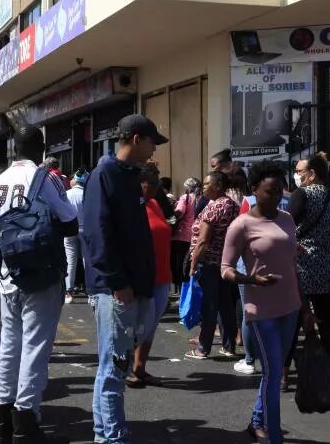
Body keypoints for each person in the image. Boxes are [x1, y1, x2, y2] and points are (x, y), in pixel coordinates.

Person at [0, 126, 78, 444]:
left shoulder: (0, 180)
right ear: (41, 149)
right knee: (35, 348)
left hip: (7, 271)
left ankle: (2, 420)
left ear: (15, 148)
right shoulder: (45, 178)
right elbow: (70, 222)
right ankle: (26, 423)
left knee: (10, 347)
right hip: (40, 274)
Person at [83, 114, 165, 444]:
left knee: (111, 367)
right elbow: (96, 233)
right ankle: (113, 438)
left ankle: (106, 435)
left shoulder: (129, 176)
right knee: (114, 368)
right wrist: (118, 282)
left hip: (129, 288)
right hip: (116, 291)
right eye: (150, 142)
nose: (153, 150)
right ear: (134, 139)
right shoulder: (106, 174)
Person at [221, 159, 300, 444]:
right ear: (254, 190)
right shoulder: (241, 225)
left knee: (274, 371)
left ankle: (257, 421)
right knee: (274, 371)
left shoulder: (287, 219)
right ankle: (274, 436)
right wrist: (251, 280)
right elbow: (226, 269)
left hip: (291, 306)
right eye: (270, 191)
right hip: (261, 310)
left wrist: (307, 309)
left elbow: (291, 261)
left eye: (280, 191)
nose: (277, 196)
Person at [286, 152, 330, 376]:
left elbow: (286, 225)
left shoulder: (301, 194)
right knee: (328, 320)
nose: (297, 176)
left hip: (302, 264)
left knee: (292, 319)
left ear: (312, 174)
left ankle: (284, 371)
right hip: (329, 264)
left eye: (300, 171)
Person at [185, 170, 240, 359]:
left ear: (217, 186)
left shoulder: (213, 207)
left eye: (207, 184)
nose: (203, 187)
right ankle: (229, 346)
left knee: (209, 305)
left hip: (208, 263)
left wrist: (193, 264)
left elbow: (203, 240)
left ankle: (203, 348)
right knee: (225, 305)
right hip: (225, 263)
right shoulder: (232, 205)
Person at [128, 168, 173, 388]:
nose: (156, 187)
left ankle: (140, 368)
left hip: (163, 275)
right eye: (151, 183)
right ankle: (127, 369)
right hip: (142, 277)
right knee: (136, 326)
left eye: (157, 183)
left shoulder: (155, 205)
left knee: (151, 326)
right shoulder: (130, 207)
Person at [64, 169, 88, 304]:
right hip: (85, 230)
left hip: (69, 230)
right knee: (86, 260)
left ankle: (69, 291)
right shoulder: (88, 194)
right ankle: (90, 289)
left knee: (70, 261)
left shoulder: (67, 194)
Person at [172, 178, 200, 290]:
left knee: (179, 264)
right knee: (189, 263)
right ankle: (189, 288)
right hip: (195, 235)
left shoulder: (185, 198)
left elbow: (179, 212)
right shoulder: (201, 198)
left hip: (181, 234)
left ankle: (180, 289)